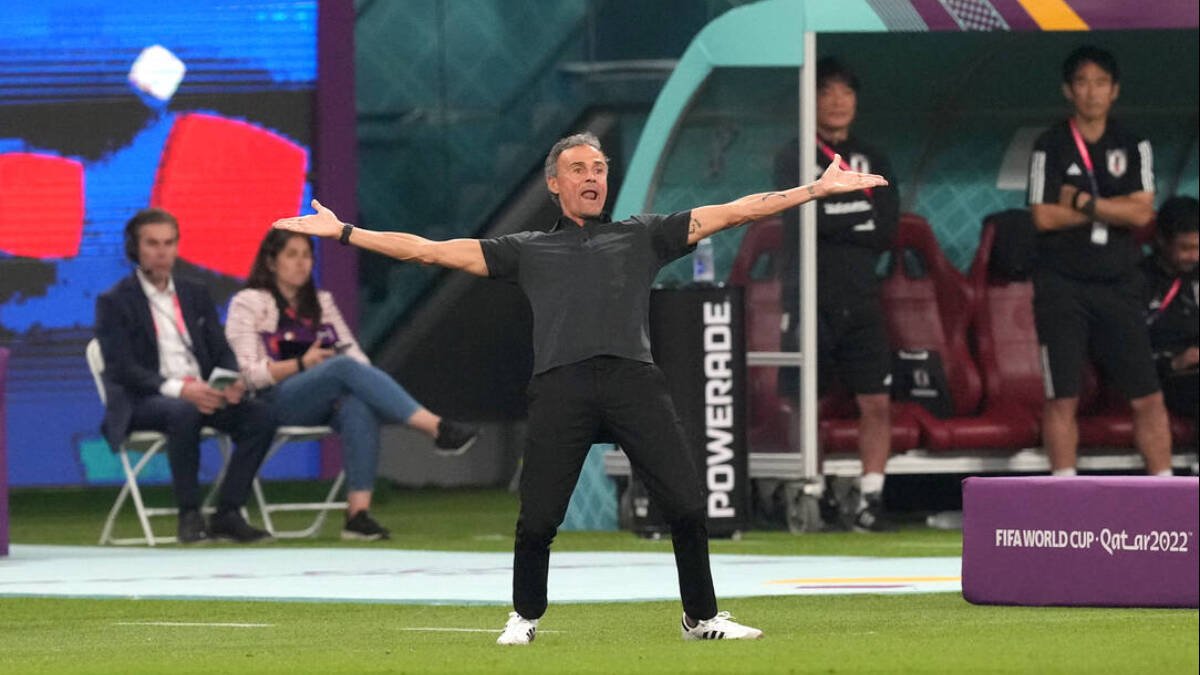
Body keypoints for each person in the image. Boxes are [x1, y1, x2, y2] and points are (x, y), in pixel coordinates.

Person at [273, 132, 885, 645]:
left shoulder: (644, 234)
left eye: (599, 168)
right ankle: (525, 615)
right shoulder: (525, 249)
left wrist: (814, 190)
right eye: (578, 169)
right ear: (556, 185)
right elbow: (428, 252)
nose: (592, 176)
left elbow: (736, 210)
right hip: (561, 387)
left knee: (688, 506)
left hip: (632, 380)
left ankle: (700, 616)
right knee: (538, 519)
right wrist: (344, 232)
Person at [224, 229, 480, 541]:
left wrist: (351, 381)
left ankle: (357, 515)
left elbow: (356, 357)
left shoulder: (321, 303)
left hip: (322, 402)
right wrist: (303, 364)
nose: (301, 263)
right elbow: (251, 374)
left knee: (357, 402)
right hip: (270, 402)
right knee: (341, 366)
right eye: (291, 255)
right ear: (271, 261)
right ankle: (436, 428)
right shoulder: (249, 302)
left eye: (306, 255)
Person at [1026, 45, 1172, 476]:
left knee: (1148, 396)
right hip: (1061, 287)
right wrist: (1114, 205)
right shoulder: (1050, 145)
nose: (1092, 92)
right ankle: (1063, 497)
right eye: (1083, 83)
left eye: (1101, 83)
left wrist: (1085, 202)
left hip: (1119, 284)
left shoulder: (1133, 143)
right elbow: (1043, 215)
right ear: (1068, 90)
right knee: (1062, 397)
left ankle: (1166, 493)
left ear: (1115, 91)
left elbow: (1144, 212)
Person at [95, 208, 275, 543]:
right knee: (184, 411)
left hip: (204, 392)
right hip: (146, 400)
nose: (162, 252)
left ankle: (228, 513)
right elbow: (122, 368)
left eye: (169, 243)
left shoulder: (195, 294)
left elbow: (220, 349)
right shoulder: (115, 302)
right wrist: (181, 390)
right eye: (152, 244)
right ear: (135, 248)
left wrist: (231, 379)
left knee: (260, 416)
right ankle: (189, 514)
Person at [773, 57, 900, 532]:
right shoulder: (793, 156)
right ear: (811, 98)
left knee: (876, 401)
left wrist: (834, 213)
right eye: (827, 91)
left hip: (863, 298)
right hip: (809, 296)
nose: (838, 101)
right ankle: (813, 490)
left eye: (846, 91)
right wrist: (853, 215)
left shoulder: (875, 157)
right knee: (807, 400)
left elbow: (886, 228)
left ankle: (871, 497)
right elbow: (803, 221)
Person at [1141, 195, 1198, 421]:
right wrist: (1174, 362)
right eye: (1185, 248)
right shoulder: (1137, 281)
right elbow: (1123, 350)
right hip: (1168, 376)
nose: (1195, 256)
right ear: (1162, 241)